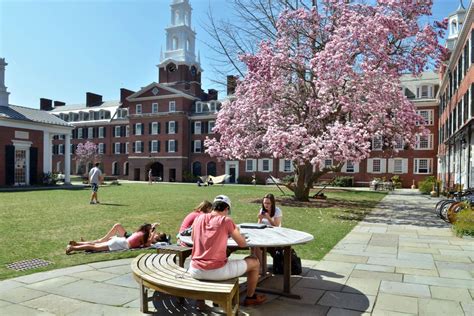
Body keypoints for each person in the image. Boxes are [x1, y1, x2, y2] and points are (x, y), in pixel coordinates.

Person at [189, 195, 266, 306]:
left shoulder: (199, 218)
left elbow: (193, 238)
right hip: (216, 271)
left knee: (225, 256)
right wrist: (241, 236)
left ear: (213, 207)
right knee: (254, 262)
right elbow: (242, 244)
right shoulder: (226, 220)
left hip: (195, 269)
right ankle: (250, 297)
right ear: (226, 209)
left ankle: (202, 299)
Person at [66, 223, 165, 254]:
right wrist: (154, 231)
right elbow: (147, 245)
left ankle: (76, 245)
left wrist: (153, 228)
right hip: (120, 244)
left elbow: (147, 242)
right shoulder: (144, 236)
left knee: (94, 245)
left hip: (120, 241)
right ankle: (72, 248)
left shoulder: (140, 231)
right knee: (95, 247)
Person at [253, 193, 283, 271]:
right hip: (263, 234)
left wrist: (269, 218)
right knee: (253, 245)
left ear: (272, 203)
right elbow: (258, 225)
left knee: (258, 246)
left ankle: (262, 266)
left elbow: (276, 226)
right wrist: (260, 219)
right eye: (264, 203)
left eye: (268, 203)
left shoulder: (277, 211)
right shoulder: (262, 210)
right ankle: (259, 265)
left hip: (274, 235)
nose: (266, 205)